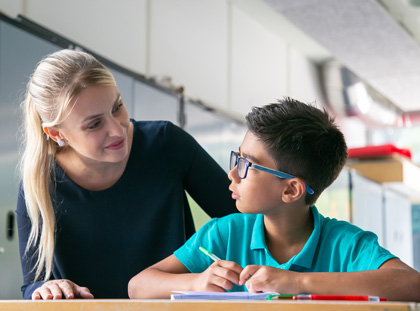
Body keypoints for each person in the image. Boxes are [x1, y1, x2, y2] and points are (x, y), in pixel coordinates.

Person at [128, 97, 420, 301]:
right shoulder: (225, 233)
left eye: (246, 165)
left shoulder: (346, 245)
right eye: (236, 158)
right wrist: (195, 281)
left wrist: (296, 282)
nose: (232, 174)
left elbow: (412, 284)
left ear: (291, 190)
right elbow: (138, 286)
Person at [16, 49, 237, 300]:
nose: (116, 129)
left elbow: (246, 219)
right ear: (57, 134)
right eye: (94, 124)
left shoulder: (166, 144)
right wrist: (46, 289)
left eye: (117, 107)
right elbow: (32, 286)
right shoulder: (40, 182)